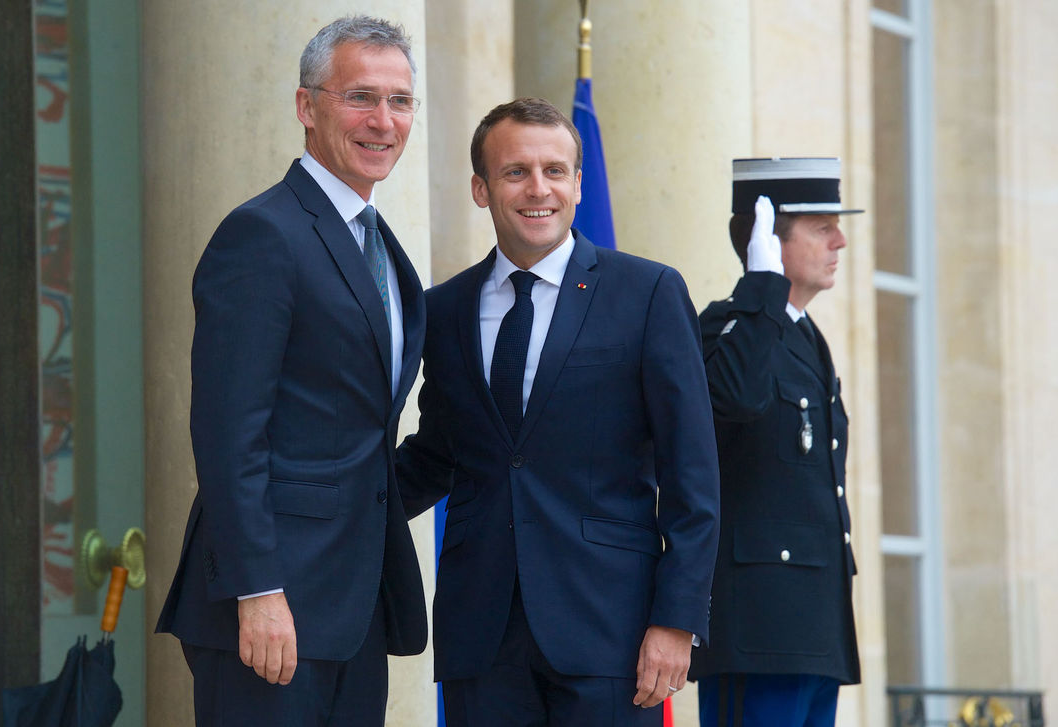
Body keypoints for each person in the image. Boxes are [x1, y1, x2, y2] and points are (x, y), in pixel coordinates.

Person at [396, 97, 720, 726]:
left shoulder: (648, 292)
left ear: (578, 183)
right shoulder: (443, 310)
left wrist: (677, 619)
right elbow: (439, 453)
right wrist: (340, 505)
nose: (537, 188)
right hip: (481, 636)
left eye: (554, 170)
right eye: (516, 171)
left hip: (612, 634)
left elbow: (693, 474)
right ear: (480, 188)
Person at [155, 15, 428, 726]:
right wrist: (258, 589)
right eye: (360, 97)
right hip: (270, 609)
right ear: (307, 108)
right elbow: (226, 430)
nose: (383, 120)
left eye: (400, 101)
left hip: (355, 607)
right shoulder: (263, 234)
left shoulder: (382, 248)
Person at [689, 157, 863, 727]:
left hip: (813, 622)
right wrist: (759, 285)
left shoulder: (806, 338)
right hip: (758, 628)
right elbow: (736, 398)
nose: (840, 239)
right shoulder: (727, 327)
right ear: (768, 238)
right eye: (821, 227)